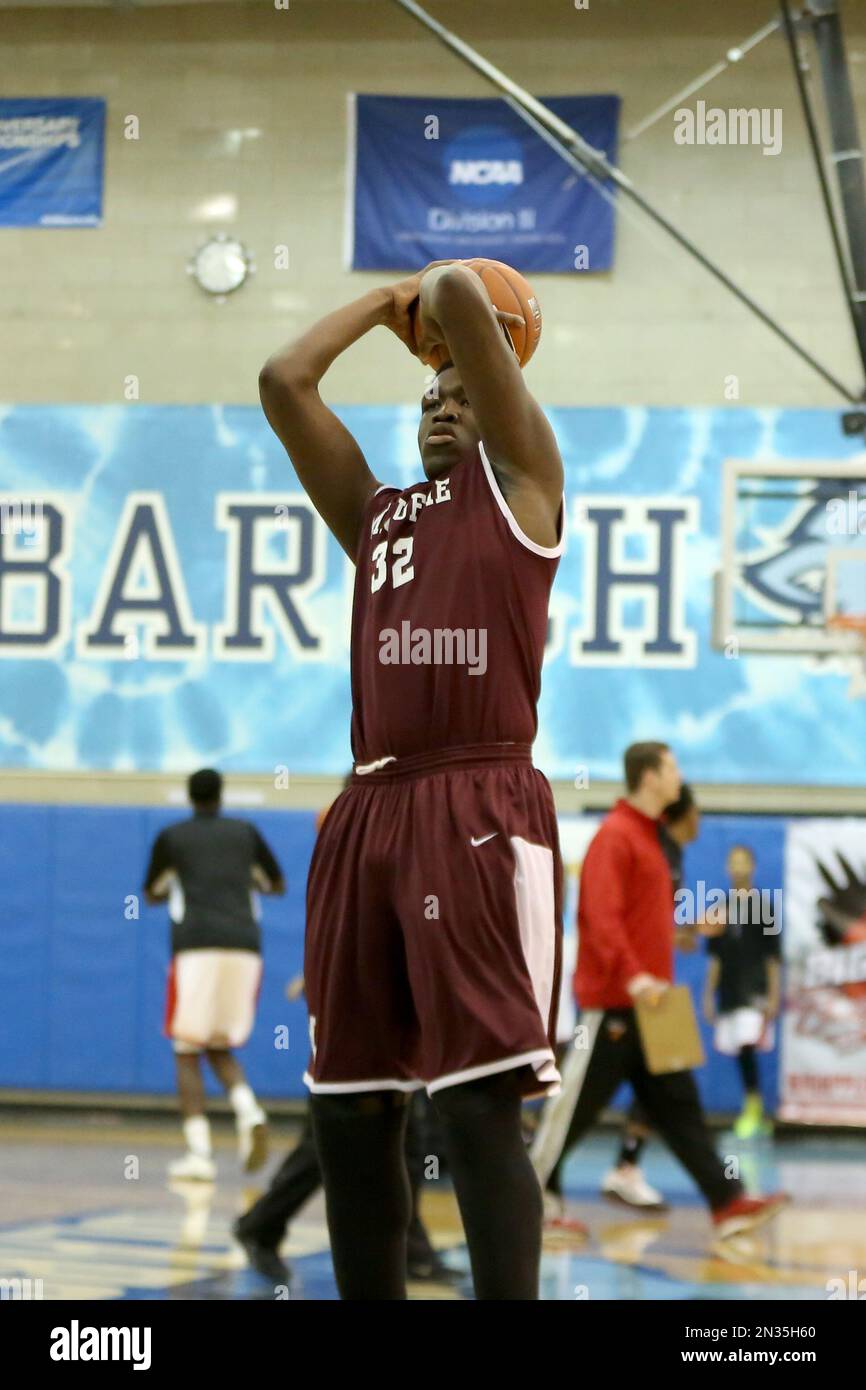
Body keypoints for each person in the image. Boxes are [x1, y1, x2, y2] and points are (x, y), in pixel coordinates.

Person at [259, 259, 565, 1299]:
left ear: (505, 405)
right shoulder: (380, 518)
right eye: (429, 396)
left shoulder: (525, 489)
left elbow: (467, 302)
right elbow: (283, 379)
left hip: (477, 801)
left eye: (461, 394)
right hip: (366, 809)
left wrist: (430, 310)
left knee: (478, 1105)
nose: (439, 403)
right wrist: (379, 308)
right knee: (349, 1107)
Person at [530, 742, 787, 1241]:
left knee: (680, 1106)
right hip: (617, 1006)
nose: (680, 776)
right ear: (649, 777)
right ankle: (530, 1209)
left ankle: (727, 1202)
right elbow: (601, 920)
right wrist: (632, 976)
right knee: (570, 1111)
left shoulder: (649, 839)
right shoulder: (615, 836)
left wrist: (687, 929)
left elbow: (645, 924)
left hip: (657, 1005)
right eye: (672, 767)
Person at [143, 768, 284, 1181]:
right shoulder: (246, 833)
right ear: (222, 795)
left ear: (190, 796)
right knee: (218, 1045)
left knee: (186, 1049)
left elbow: (150, 892)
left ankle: (200, 1156)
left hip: (197, 947)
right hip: (245, 947)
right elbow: (276, 884)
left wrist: (177, 888)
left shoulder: (173, 837)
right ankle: (249, 1112)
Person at [601, 782, 701, 1211]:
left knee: (671, 1082)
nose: (702, 819)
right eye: (698, 811)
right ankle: (541, 1167)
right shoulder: (639, 839)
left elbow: (656, 922)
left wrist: (690, 928)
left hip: (658, 990)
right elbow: (615, 916)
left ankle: (628, 1168)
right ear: (685, 812)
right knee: (588, 1086)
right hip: (630, 990)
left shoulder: (672, 852)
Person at [702, 845, 781, 1139]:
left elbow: (773, 957)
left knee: (748, 1045)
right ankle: (755, 1111)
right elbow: (715, 958)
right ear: (726, 868)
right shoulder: (719, 908)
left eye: (743, 862)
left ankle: (753, 1109)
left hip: (755, 992)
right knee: (736, 1048)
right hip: (729, 991)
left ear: (753, 866)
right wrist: (708, 995)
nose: (738, 868)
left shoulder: (765, 907)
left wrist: (773, 995)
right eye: (732, 862)